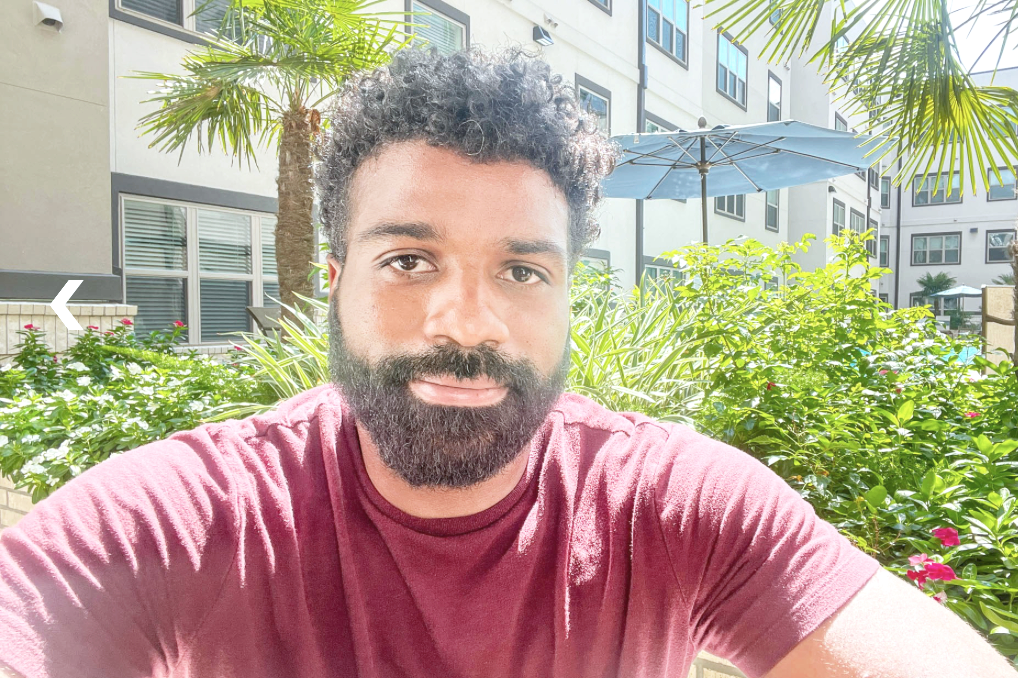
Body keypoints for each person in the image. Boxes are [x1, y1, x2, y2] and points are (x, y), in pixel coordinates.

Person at [0, 48, 1014, 678]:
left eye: (522, 270)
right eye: (409, 259)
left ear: (569, 288)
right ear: (333, 272)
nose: (465, 318)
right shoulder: (183, 515)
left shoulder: (670, 504)